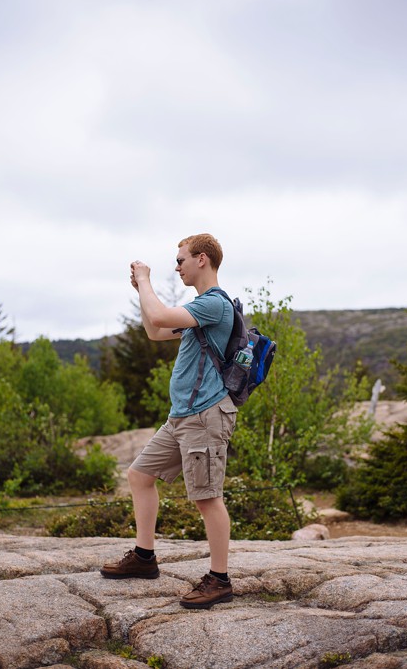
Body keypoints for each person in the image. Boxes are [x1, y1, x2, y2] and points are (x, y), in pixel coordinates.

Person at [100, 233, 238, 610]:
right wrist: (140, 291)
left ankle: (219, 580)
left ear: (203, 260)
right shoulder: (199, 310)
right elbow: (155, 330)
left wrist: (145, 281)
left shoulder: (215, 305)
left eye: (181, 260)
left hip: (206, 415)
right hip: (182, 417)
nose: (176, 267)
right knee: (139, 476)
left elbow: (160, 315)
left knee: (207, 497)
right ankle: (144, 559)